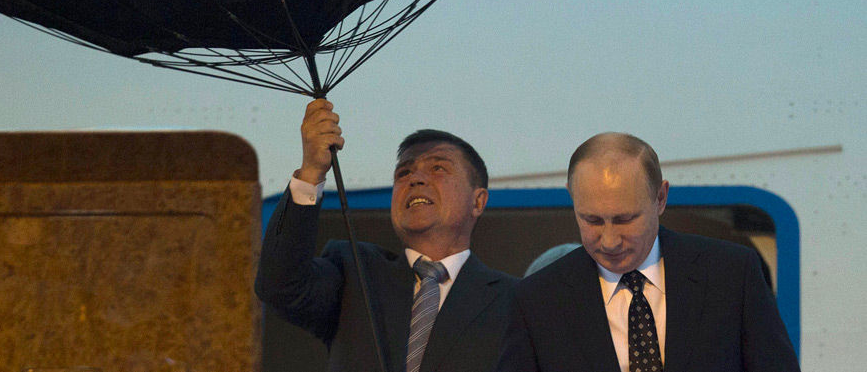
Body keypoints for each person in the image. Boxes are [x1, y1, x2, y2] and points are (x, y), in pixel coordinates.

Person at [497, 132, 800, 372]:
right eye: (592, 220)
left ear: (661, 198)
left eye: (625, 219)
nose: (609, 241)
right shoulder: (536, 300)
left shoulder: (731, 275)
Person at [255, 99, 515, 372]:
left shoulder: (516, 301)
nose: (415, 178)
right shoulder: (355, 273)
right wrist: (311, 172)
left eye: (438, 168)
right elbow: (279, 286)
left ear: (478, 201)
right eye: (404, 172)